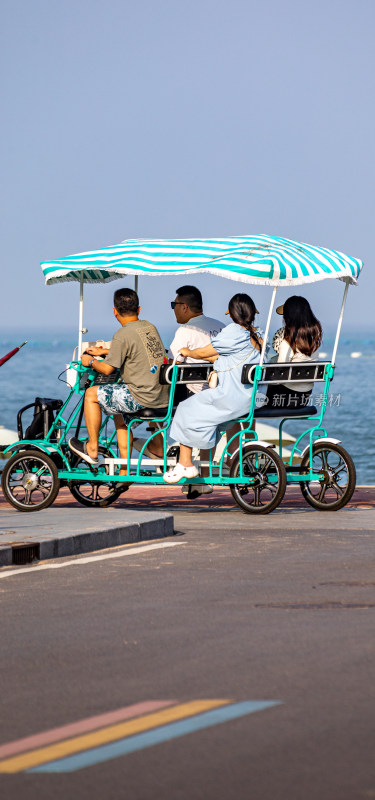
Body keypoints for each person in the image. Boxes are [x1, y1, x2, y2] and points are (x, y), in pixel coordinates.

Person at [163, 293, 263, 483]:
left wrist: (188, 352)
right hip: (251, 399)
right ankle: (201, 466)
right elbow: (224, 357)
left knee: (185, 408)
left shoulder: (234, 331)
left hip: (230, 398)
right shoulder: (257, 334)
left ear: (230, 312)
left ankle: (186, 464)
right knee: (207, 421)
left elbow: (207, 351)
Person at [68, 288, 169, 474]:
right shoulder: (149, 327)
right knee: (118, 414)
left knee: (91, 394)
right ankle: (124, 468)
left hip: (142, 397)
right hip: (161, 395)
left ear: (115, 311)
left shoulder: (122, 334)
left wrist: (90, 361)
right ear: (139, 309)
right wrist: (106, 352)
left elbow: (107, 369)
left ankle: (91, 447)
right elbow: (136, 348)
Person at [266, 296, 322, 409]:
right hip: (303, 399)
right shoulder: (313, 342)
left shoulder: (287, 343)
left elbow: (278, 378)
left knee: (251, 396)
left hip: (283, 398)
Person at [168, 285, 224, 395]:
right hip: (221, 389)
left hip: (194, 393)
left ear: (184, 307)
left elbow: (173, 366)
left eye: (174, 304)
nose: (173, 308)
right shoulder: (221, 326)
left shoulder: (185, 330)